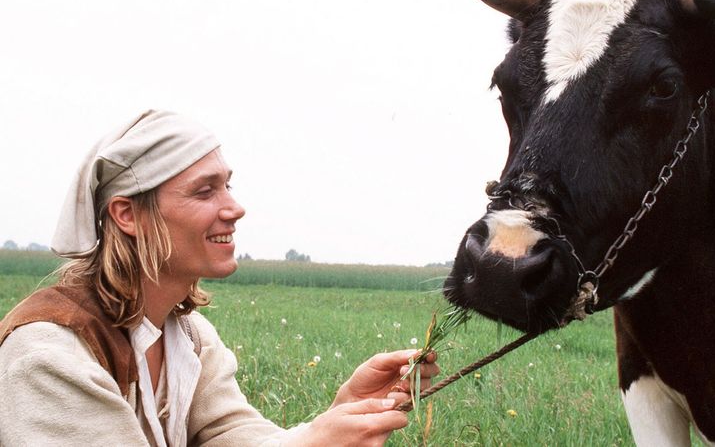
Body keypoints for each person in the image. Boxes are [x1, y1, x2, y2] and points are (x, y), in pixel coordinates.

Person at [0, 111, 439, 446]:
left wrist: (345, 413)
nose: (234, 207)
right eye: (205, 190)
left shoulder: (188, 337)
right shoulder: (50, 357)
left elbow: (231, 435)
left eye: (228, 185)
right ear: (128, 214)